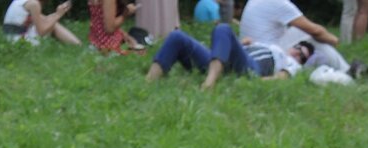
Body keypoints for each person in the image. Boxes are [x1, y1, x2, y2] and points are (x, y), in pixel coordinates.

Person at [146, 24, 313, 89]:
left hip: (252, 68)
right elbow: (226, 46)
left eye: (303, 57)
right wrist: (240, 43)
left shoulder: (293, 64)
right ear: (293, 45)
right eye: (299, 49)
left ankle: (208, 84)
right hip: (223, 60)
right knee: (178, 37)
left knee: (224, 28)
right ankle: (148, 83)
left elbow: (281, 77)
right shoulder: (271, 46)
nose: (298, 54)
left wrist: (252, 82)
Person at [239, 0, 349, 72]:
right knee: (306, 34)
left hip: (251, 51)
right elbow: (315, 31)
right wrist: (335, 40)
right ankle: (346, 70)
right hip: (269, 53)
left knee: (298, 31)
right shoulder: (278, 2)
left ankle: (336, 67)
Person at [3, 0, 81, 46]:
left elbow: (45, 19)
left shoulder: (20, 1)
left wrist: (59, 12)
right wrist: (58, 15)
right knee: (53, 25)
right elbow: (42, 31)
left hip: (9, 39)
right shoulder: (34, 4)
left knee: (51, 22)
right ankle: (77, 45)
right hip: (21, 42)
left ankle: (77, 45)